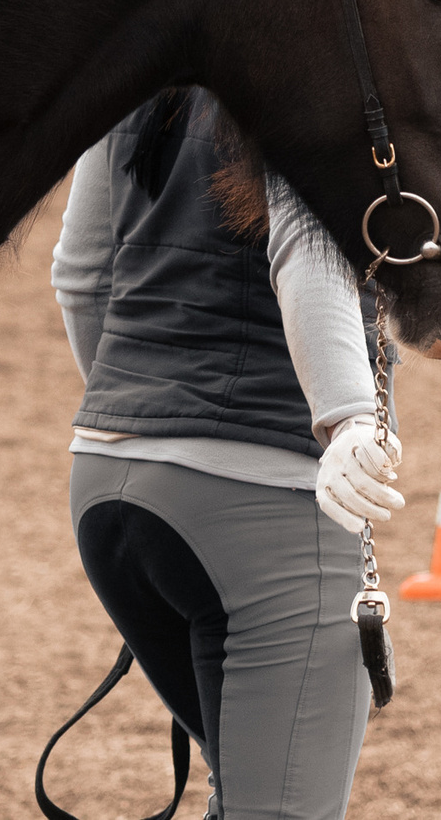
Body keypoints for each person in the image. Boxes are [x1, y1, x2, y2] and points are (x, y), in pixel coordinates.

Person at [51, 86, 404, 820]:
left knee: (241, 788)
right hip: (261, 498)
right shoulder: (308, 61)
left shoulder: (137, 71)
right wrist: (345, 419)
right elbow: (310, 248)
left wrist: (145, 417)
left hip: (109, 485)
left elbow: (80, 274)